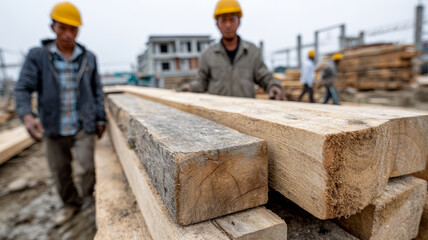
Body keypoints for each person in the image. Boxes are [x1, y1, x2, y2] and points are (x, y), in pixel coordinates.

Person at [14, 2, 106, 225]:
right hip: (52, 126)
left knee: (88, 167)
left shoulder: (88, 57)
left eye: (73, 29)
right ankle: (70, 204)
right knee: (60, 172)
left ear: (78, 30)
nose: (67, 34)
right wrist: (28, 116)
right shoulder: (38, 56)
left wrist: (100, 117)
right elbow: (23, 88)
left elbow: (97, 90)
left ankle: (88, 199)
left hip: (83, 124)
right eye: (62, 28)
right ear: (53, 27)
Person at [179, 0, 285, 100]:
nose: (228, 25)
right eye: (223, 20)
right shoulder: (207, 55)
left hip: (247, 113)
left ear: (239, 22)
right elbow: (201, 82)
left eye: (232, 19)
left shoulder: (252, 52)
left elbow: (264, 76)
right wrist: (190, 88)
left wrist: (273, 85)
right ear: (217, 24)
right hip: (217, 113)